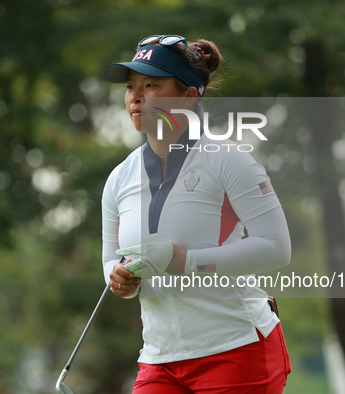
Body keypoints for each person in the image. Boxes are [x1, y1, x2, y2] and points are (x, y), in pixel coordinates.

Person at [101, 34, 292, 393]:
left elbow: (277, 248)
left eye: (152, 85)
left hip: (237, 348)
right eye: (131, 86)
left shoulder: (229, 160)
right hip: (159, 359)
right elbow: (110, 258)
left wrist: (188, 262)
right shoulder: (118, 179)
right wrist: (118, 279)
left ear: (190, 95)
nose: (136, 96)